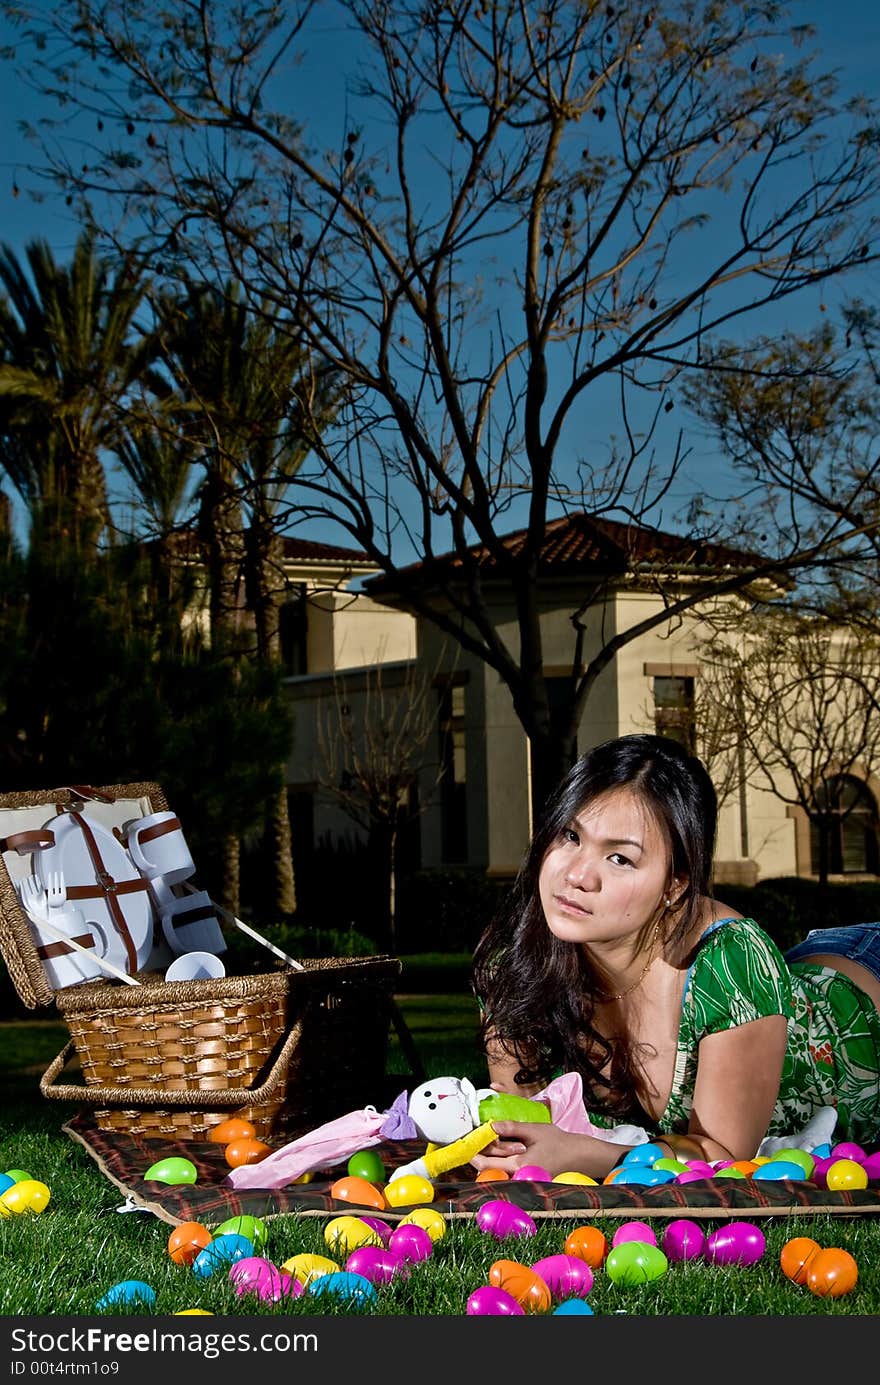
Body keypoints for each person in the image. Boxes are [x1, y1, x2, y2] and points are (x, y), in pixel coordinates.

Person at [469, 734, 880, 1180]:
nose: (577, 875)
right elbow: (523, 1127)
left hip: (861, 987)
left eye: (620, 859)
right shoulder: (515, 969)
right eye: (571, 836)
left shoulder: (728, 961)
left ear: (675, 884)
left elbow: (724, 1158)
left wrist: (589, 1156)